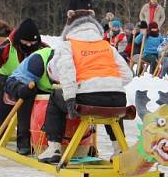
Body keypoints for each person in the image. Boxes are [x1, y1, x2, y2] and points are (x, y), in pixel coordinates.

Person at [37, 12, 133, 164]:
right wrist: (108, 83)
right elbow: (127, 75)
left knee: (55, 96)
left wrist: (70, 100)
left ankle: (54, 148)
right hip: (118, 100)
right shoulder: (106, 46)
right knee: (110, 107)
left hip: (88, 99)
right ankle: (118, 149)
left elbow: (67, 73)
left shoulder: (68, 45)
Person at [0, 18, 43, 148]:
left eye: (32, 42)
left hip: (29, 84)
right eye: (25, 42)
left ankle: (36, 137)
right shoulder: (6, 47)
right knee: (7, 89)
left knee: (28, 92)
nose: (29, 45)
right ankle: (0, 131)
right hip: (2, 80)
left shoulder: (42, 48)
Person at [4, 38, 57, 156]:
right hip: (20, 81)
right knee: (27, 94)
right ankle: (23, 141)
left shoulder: (71, 62)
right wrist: (23, 89)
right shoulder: (37, 62)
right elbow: (19, 84)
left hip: (46, 87)